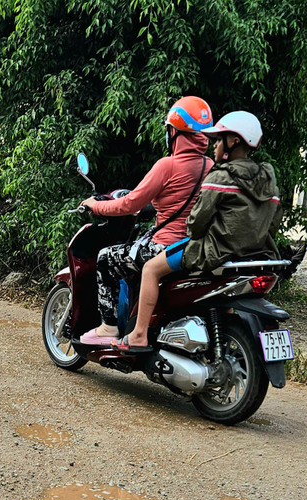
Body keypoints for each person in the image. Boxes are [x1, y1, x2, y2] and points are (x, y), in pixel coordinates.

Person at [118, 110, 280, 352]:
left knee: (150, 268)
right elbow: (273, 222)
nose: (214, 145)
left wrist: (200, 230)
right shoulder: (267, 178)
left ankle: (139, 334)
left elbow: (195, 223)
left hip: (213, 250)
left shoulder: (221, 176)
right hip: (255, 254)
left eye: (218, 139)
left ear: (233, 141)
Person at [77, 97, 214, 347]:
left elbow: (129, 204)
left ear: (174, 132)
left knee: (106, 258)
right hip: (194, 245)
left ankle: (109, 327)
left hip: (165, 246)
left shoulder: (167, 165)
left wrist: (95, 206)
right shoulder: (210, 166)